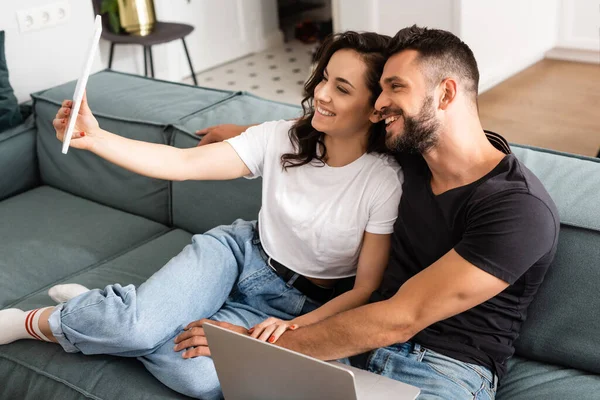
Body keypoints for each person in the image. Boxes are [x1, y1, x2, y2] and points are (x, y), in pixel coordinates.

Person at [0, 32, 404, 399]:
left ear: (375, 109)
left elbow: (363, 289)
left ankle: (115, 316)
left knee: (200, 379)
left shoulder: (383, 181)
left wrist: (293, 330)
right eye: (324, 78)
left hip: (297, 305)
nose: (321, 93)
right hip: (240, 255)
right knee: (137, 327)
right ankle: (40, 321)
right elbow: (181, 163)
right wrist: (97, 137)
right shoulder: (283, 137)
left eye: (342, 88)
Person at [190, 25, 560, 400]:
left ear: (446, 93)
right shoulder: (410, 152)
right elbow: (328, 131)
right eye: (381, 88)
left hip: (445, 371)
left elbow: (402, 317)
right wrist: (241, 133)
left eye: (396, 87)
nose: (379, 103)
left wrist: (259, 350)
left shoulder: (519, 209)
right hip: (354, 349)